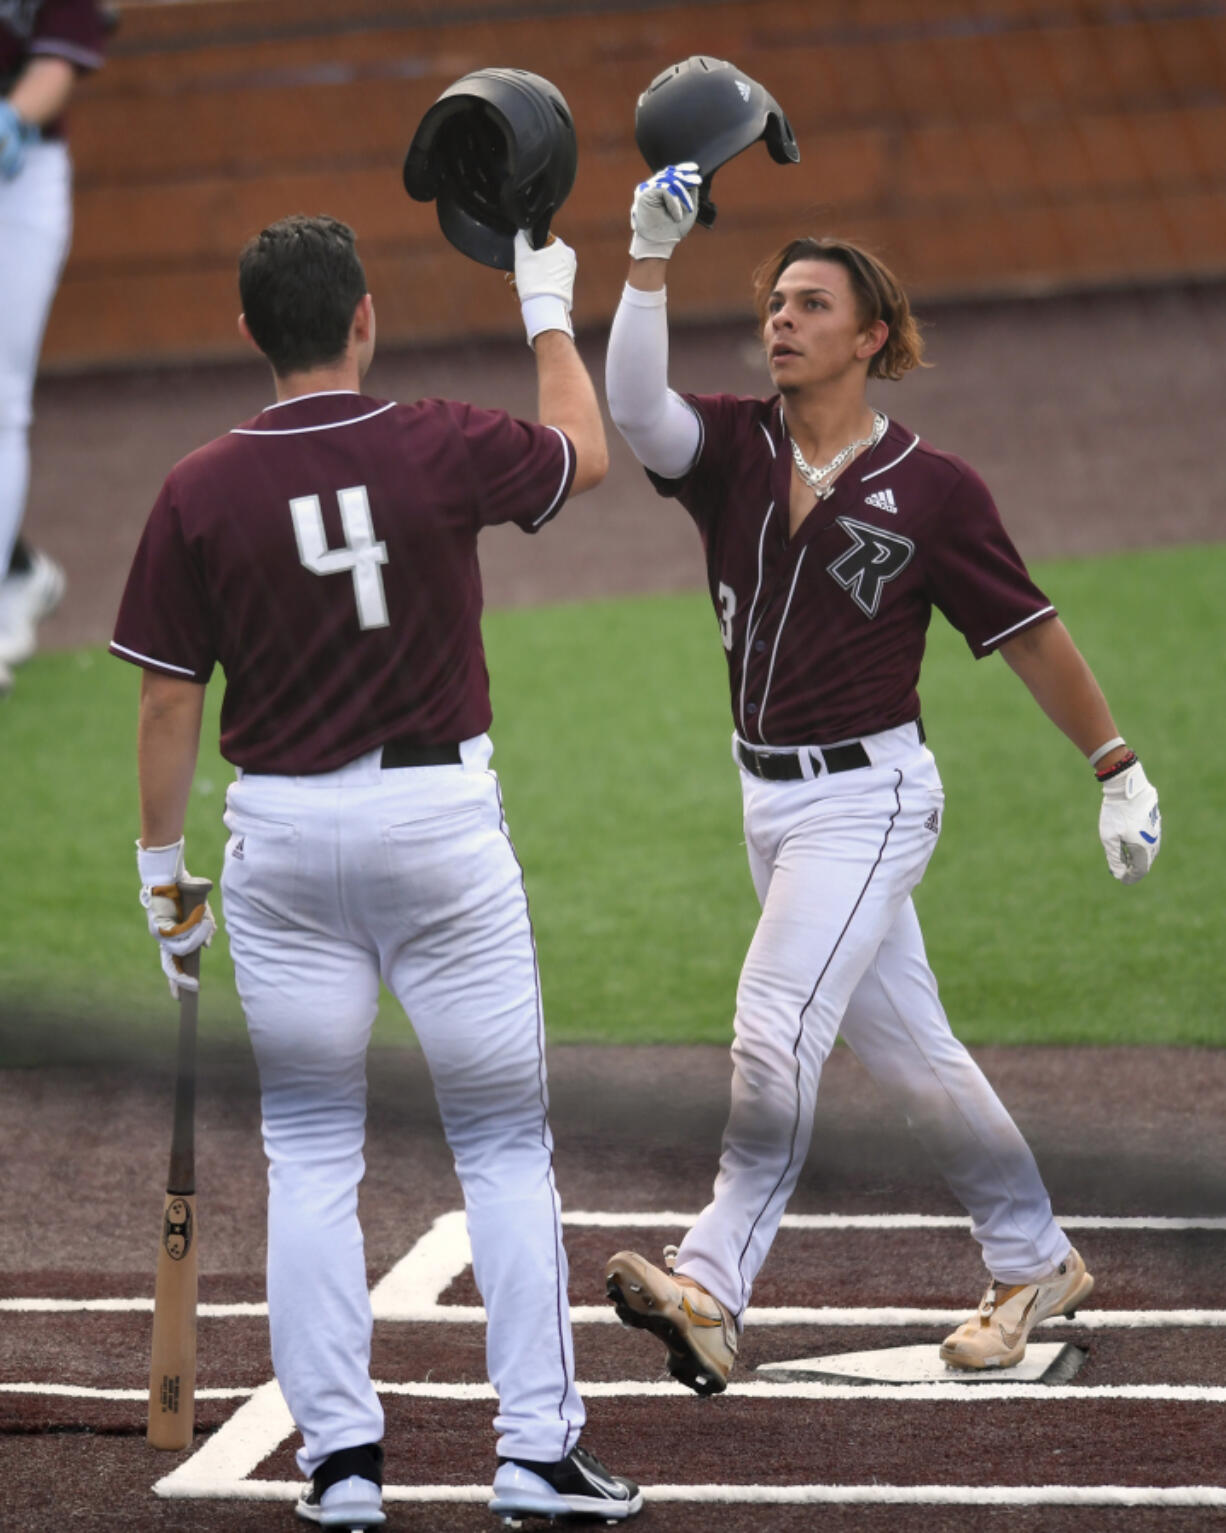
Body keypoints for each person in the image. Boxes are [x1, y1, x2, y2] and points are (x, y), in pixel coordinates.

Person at [110, 214, 642, 1527]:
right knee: (505, 1150)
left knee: (308, 1157)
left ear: (249, 334)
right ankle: (534, 1452)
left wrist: (162, 874)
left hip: (281, 845)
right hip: (439, 830)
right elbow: (586, 455)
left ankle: (341, 1464)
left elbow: (169, 704)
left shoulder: (196, 487)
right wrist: (541, 308)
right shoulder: (440, 440)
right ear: (364, 318)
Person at [601, 163, 1163, 1394]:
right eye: (773, 305)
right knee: (913, 1056)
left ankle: (710, 1284)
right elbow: (631, 407)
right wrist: (646, 259)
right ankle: (1033, 1262)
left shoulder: (935, 491)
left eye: (809, 306)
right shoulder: (731, 448)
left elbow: (1027, 630)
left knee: (774, 1023)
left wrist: (1113, 765)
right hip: (768, 801)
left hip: (872, 800)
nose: (780, 322)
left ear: (870, 337)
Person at [0, 0, 108, 698]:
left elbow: (60, 56)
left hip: (19, 169)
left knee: (0, 393)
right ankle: (17, 569)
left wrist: (10, 118)